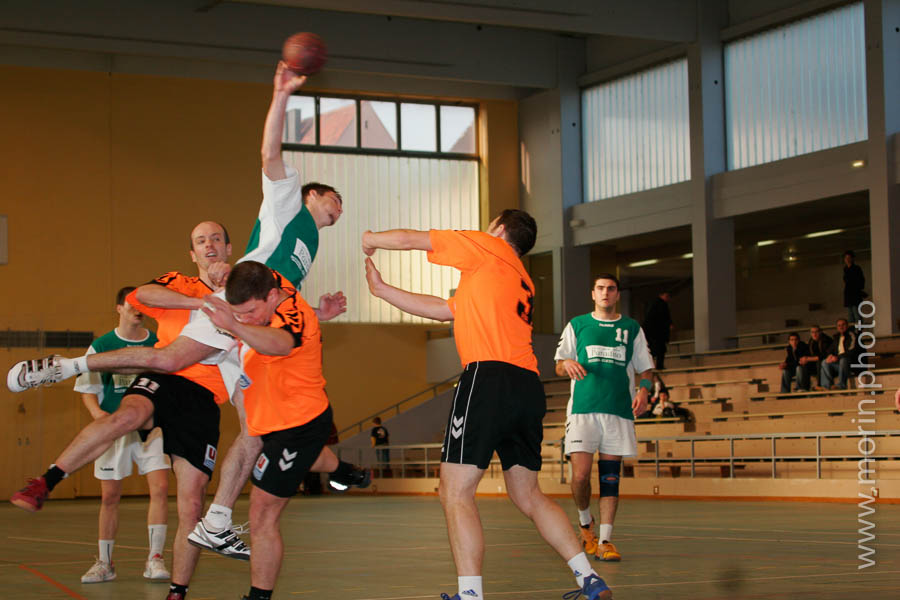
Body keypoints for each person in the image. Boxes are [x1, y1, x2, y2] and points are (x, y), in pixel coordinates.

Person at [363, 209, 612, 600]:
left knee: (455, 491)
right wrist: (383, 291)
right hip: (527, 386)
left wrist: (372, 238)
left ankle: (470, 595)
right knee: (528, 494)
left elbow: (417, 238)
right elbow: (446, 309)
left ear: (498, 228)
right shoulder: (515, 276)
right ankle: (588, 577)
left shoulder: (487, 246)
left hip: (488, 377)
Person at [201, 261, 342, 600]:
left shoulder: (286, 310)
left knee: (262, 513)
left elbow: (280, 343)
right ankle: (349, 472)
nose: (246, 318)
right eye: (240, 313)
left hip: (301, 422)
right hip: (276, 419)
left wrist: (235, 327)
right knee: (273, 498)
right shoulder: (273, 285)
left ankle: (259, 596)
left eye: (250, 311)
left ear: (273, 296)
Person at [554, 274, 653, 563]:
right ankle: (586, 526)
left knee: (610, 478)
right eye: (600, 288)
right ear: (593, 293)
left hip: (618, 412)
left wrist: (644, 391)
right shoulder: (578, 324)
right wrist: (567, 364)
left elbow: (645, 369)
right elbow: (559, 365)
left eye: (611, 289)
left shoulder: (631, 328)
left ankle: (606, 540)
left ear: (617, 294)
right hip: (583, 411)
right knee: (581, 475)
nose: (605, 293)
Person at [75, 286, 169, 584]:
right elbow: (87, 389)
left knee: (160, 488)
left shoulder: (158, 342)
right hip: (116, 427)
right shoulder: (102, 345)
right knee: (110, 496)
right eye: (131, 304)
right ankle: (105, 563)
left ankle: (155, 558)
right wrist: (99, 416)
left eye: (142, 303)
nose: (137, 308)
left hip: (150, 429)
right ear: (119, 308)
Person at [818, 318, 859, 390]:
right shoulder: (836, 337)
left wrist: (837, 357)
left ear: (847, 325)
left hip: (851, 364)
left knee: (844, 360)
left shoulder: (852, 335)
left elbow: (851, 351)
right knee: (824, 362)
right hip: (839, 364)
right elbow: (829, 350)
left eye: (843, 325)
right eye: (839, 325)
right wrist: (829, 356)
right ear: (837, 327)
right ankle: (826, 386)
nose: (841, 327)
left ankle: (841, 385)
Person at [641, 292, 672, 370]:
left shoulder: (652, 305)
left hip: (651, 333)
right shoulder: (662, 305)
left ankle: (650, 366)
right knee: (659, 350)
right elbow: (664, 319)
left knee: (654, 350)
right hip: (657, 333)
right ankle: (659, 366)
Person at [843, 251, 866, 325]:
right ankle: (852, 330)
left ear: (852, 259)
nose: (847, 260)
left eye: (849, 258)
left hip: (855, 293)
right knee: (850, 314)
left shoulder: (856, 268)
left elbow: (860, 281)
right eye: (846, 258)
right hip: (849, 294)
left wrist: (858, 290)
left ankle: (858, 329)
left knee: (856, 313)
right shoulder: (846, 269)